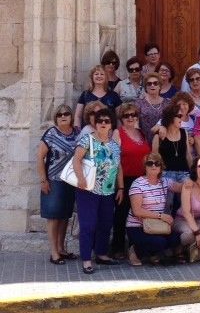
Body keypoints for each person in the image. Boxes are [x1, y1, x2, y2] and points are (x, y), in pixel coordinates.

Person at [72, 107, 123, 274]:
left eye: (106, 121)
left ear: (111, 124)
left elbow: (118, 167)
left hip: (108, 191)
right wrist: (80, 178)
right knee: (88, 224)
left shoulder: (115, 145)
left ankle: (101, 254)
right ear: (95, 123)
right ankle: (86, 259)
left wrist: (120, 187)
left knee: (105, 224)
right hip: (88, 189)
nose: (103, 123)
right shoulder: (87, 140)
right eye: (100, 120)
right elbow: (77, 160)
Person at [37, 104, 79, 264]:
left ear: (71, 116)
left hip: (71, 181)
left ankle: (61, 249)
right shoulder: (51, 134)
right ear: (56, 117)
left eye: (66, 113)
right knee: (53, 217)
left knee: (65, 216)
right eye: (60, 114)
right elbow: (40, 157)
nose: (63, 116)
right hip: (54, 181)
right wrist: (43, 180)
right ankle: (54, 252)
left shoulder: (77, 133)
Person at [125, 152, 182, 266]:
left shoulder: (165, 182)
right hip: (138, 226)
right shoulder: (138, 184)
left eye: (157, 163)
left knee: (176, 239)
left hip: (157, 226)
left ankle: (153, 255)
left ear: (161, 167)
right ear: (145, 166)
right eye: (150, 163)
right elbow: (137, 211)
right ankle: (134, 250)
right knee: (159, 242)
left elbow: (183, 188)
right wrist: (161, 216)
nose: (153, 166)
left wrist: (195, 180)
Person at [110, 103, 151, 259]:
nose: (131, 118)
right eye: (127, 115)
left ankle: (139, 248)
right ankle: (118, 248)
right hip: (125, 180)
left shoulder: (141, 133)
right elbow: (116, 160)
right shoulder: (117, 133)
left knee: (139, 216)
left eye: (133, 115)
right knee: (121, 214)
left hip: (141, 180)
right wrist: (120, 187)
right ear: (121, 118)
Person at [152, 102, 192, 185]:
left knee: (187, 192)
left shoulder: (184, 132)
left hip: (184, 173)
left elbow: (188, 155)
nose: (182, 118)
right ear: (170, 118)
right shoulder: (159, 135)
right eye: (179, 116)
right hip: (166, 174)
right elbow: (154, 158)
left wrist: (193, 173)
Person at [136, 72, 168, 144]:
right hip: (145, 142)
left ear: (160, 86)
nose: (152, 85)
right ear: (146, 87)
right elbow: (136, 124)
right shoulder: (139, 103)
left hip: (164, 141)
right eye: (149, 84)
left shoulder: (167, 103)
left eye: (155, 83)